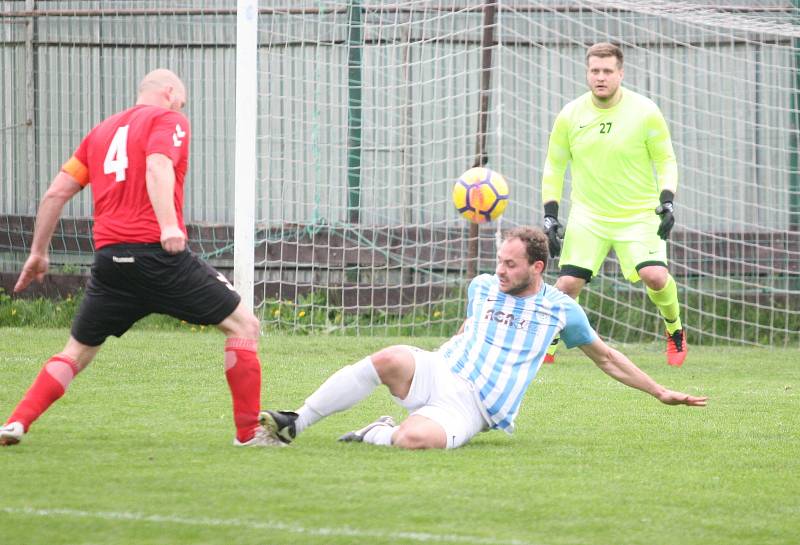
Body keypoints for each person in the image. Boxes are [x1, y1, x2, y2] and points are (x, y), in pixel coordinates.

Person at [0, 69, 281, 448]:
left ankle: (17, 422)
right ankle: (248, 434)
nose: (182, 109)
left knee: (76, 352)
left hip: (110, 262)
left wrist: (37, 252)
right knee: (244, 326)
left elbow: (55, 193)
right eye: (181, 101)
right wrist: (168, 226)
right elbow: (158, 164)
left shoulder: (99, 133)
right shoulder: (169, 119)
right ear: (168, 93)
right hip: (157, 256)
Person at [259, 227, 707, 450]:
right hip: (441, 368)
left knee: (414, 442)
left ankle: (378, 432)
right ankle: (295, 421)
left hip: (474, 405)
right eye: (499, 261)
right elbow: (468, 330)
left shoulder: (560, 309)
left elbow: (607, 358)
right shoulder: (482, 287)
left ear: (537, 268)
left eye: (511, 264)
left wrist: (659, 391)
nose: (500, 270)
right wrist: (434, 359)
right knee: (390, 357)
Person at [540, 42, 687, 366]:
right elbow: (554, 165)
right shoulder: (570, 115)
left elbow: (665, 159)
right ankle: (546, 342)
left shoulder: (645, 111)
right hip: (588, 215)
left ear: (621, 73)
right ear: (587, 73)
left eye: (608, 71)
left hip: (638, 215)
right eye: (595, 70)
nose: (601, 77)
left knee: (655, 277)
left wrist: (667, 201)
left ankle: (674, 329)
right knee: (566, 285)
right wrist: (550, 215)